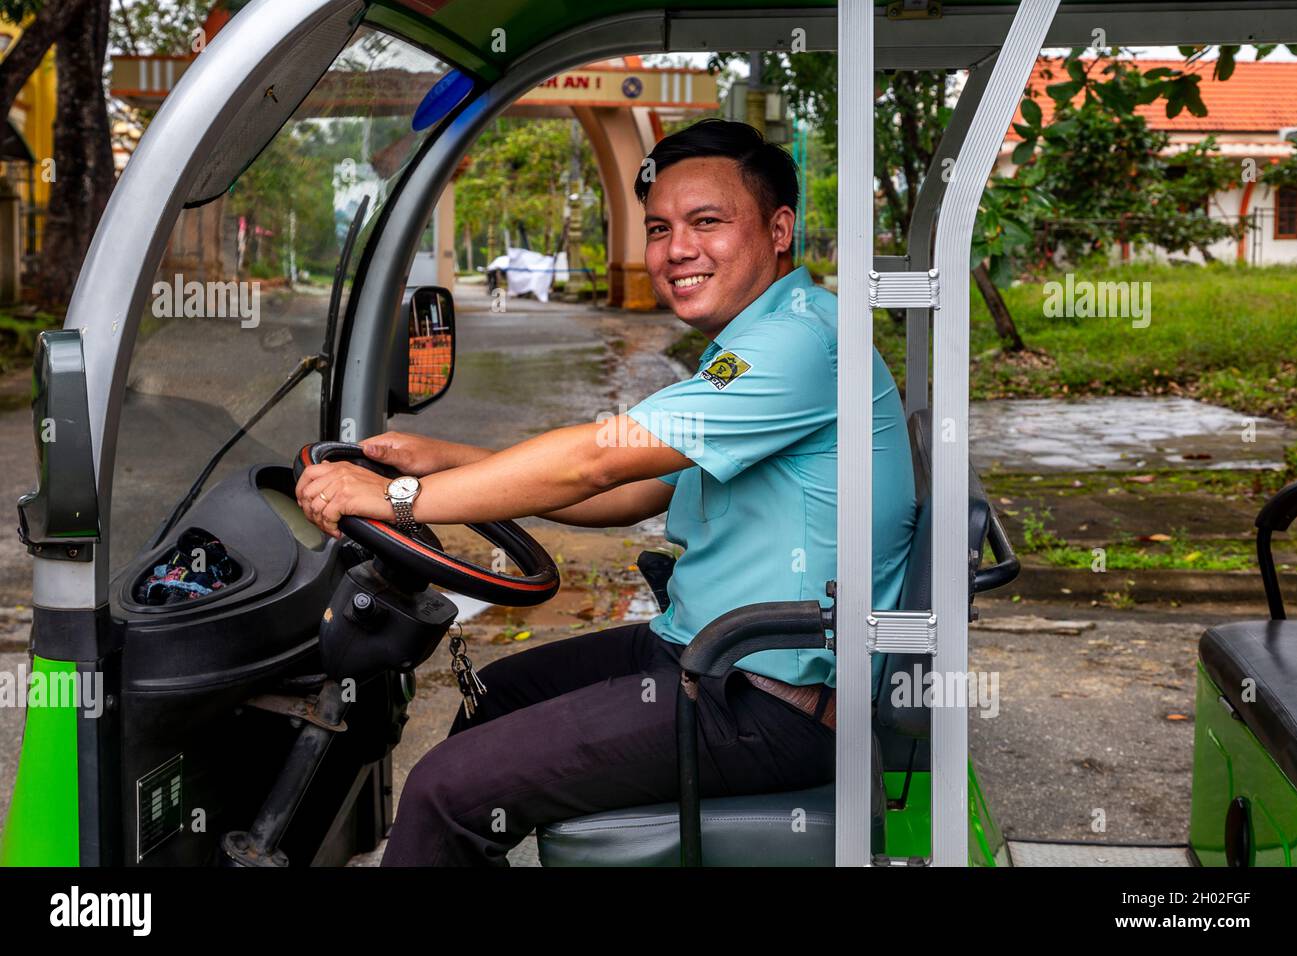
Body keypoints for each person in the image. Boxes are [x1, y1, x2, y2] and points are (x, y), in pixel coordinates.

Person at [294, 119, 916, 866]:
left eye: (707, 222)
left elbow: (596, 462)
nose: (676, 249)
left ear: (779, 229)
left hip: (771, 703)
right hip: (709, 656)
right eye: (660, 227)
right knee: (492, 696)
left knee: (441, 790)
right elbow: (633, 492)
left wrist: (393, 501)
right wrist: (445, 464)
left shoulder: (800, 344)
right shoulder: (758, 342)